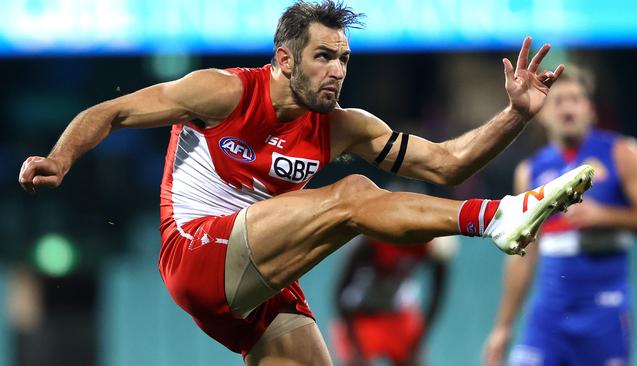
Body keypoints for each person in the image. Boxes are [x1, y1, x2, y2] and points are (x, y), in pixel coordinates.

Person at [19, 1, 589, 365]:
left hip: (258, 284)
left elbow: (445, 164)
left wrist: (515, 114)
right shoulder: (223, 93)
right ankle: (496, 217)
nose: (338, 70)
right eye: (323, 56)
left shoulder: (343, 126)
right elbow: (114, 112)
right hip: (194, 253)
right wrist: (61, 156)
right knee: (353, 197)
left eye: (343, 57)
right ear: (285, 59)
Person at [483, 66, 637, 366]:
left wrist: (606, 216)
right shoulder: (530, 171)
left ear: (591, 109)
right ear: (543, 114)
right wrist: (503, 327)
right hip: (548, 317)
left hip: (605, 313)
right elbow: (523, 256)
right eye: (558, 101)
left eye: (576, 99)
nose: (568, 108)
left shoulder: (623, 153)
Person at [331, 233, 457, 366]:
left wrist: (419, 338)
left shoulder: (426, 246)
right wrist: (354, 342)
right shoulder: (371, 241)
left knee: (414, 359)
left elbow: (438, 289)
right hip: (359, 315)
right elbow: (340, 291)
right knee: (357, 362)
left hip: (396, 313)